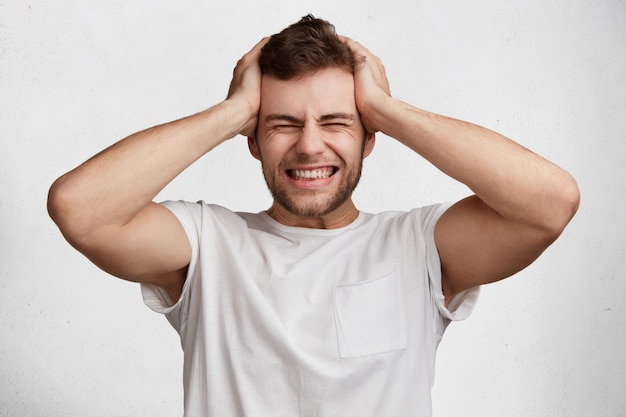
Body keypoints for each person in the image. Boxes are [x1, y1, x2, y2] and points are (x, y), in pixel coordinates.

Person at [48, 14, 579, 417]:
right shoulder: (207, 243)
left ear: (371, 138)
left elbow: (550, 203)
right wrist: (233, 111)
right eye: (282, 124)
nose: (309, 146)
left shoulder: (418, 245)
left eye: (335, 122)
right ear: (252, 142)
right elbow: (79, 209)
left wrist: (388, 110)